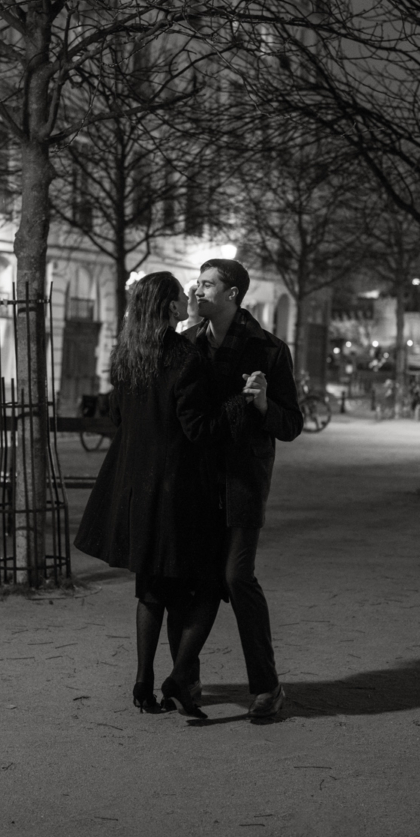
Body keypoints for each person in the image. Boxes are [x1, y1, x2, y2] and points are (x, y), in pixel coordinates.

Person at [73, 271, 237, 719]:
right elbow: (198, 429)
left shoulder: (125, 357)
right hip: (179, 489)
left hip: (133, 487)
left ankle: (143, 684)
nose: (189, 297)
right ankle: (180, 676)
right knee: (208, 582)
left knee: (151, 589)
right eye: (181, 295)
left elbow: (120, 418)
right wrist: (238, 404)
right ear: (166, 306)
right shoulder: (185, 357)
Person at [179, 258, 303, 718]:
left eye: (208, 284)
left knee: (236, 576)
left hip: (243, 481)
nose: (198, 289)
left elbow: (291, 425)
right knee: (193, 579)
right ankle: (186, 680)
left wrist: (265, 405)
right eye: (198, 281)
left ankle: (267, 687)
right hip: (194, 480)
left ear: (232, 294)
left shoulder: (268, 349)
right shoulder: (187, 339)